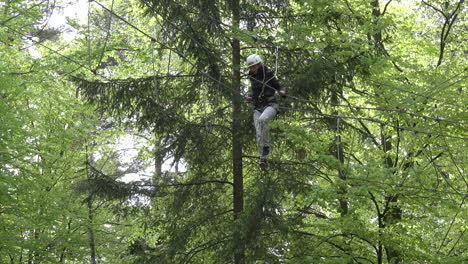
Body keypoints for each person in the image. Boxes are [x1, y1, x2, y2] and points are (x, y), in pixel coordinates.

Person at [244, 54, 286, 169]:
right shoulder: (252, 77)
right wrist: (251, 98)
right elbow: (256, 94)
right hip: (258, 106)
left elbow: (278, 86)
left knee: (263, 120)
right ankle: (263, 159)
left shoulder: (268, 74)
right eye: (250, 67)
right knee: (258, 133)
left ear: (259, 64)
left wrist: (282, 92)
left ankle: (266, 148)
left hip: (271, 105)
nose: (252, 69)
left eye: (254, 67)